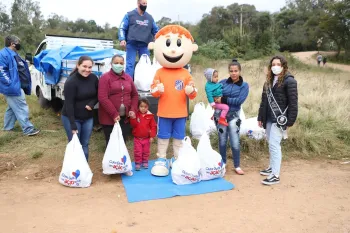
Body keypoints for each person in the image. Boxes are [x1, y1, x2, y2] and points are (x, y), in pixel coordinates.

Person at [148, 25, 198, 177]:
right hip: (164, 112)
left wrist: (191, 91)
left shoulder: (185, 73)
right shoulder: (159, 72)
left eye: (178, 45)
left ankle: (177, 159)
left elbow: (193, 93)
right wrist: (158, 90)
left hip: (180, 113)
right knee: (163, 137)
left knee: (178, 138)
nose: (173, 50)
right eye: (168, 44)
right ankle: (162, 159)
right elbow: (153, 92)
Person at [258, 55, 298, 185]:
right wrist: (260, 117)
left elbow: (293, 103)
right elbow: (264, 101)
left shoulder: (289, 81)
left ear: (283, 66)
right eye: (273, 64)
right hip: (269, 117)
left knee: (275, 145)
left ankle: (275, 175)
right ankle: (271, 167)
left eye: (278, 64)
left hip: (280, 119)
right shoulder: (269, 80)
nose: (275, 66)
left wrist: (290, 121)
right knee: (270, 143)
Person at [214, 59, 249, 175]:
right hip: (220, 116)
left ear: (239, 71)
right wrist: (216, 98)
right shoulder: (223, 82)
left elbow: (239, 100)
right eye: (231, 71)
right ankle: (223, 163)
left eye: (236, 71)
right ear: (229, 72)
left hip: (234, 116)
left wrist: (223, 99)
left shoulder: (244, 86)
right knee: (222, 140)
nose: (233, 73)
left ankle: (237, 165)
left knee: (234, 140)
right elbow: (215, 94)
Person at [0, 35, 40, 136]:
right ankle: (28, 129)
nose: (19, 44)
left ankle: (7, 128)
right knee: (21, 106)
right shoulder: (3, 54)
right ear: (12, 43)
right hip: (12, 87)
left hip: (18, 85)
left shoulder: (14, 54)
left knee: (12, 107)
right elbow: (1, 71)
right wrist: (10, 83)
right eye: (18, 42)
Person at [61, 56, 98, 161]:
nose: (87, 70)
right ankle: (73, 169)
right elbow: (69, 104)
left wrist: (92, 103)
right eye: (84, 66)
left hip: (88, 118)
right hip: (71, 117)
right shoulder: (71, 82)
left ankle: (84, 170)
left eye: (90, 67)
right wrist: (72, 124)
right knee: (74, 144)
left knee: (85, 144)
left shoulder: (94, 78)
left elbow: (98, 94)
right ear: (78, 65)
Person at [98, 54, 139, 146]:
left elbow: (135, 95)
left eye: (121, 63)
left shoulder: (128, 78)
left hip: (125, 118)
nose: (119, 65)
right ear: (111, 64)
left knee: (122, 143)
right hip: (109, 118)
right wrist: (114, 114)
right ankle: (110, 160)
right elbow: (102, 98)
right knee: (111, 144)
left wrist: (132, 109)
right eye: (116, 63)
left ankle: (121, 160)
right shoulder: (105, 78)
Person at [118, 0, 159, 79]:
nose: (145, 5)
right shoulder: (129, 15)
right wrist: (122, 39)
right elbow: (122, 28)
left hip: (144, 45)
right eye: (143, 3)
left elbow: (156, 31)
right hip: (132, 43)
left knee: (146, 64)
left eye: (146, 4)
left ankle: (145, 84)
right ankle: (128, 83)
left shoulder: (149, 18)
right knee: (130, 65)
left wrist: (159, 38)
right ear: (138, 4)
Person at [129, 98, 157, 171]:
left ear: (148, 107)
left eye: (145, 107)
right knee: (138, 151)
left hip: (146, 138)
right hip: (137, 138)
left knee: (146, 151)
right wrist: (133, 118)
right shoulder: (136, 114)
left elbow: (153, 127)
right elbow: (133, 125)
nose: (143, 108)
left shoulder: (150, 116)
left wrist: (152, 136)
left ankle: (145, 161)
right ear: (138, 107)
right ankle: (138, 163)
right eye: (141, 106)